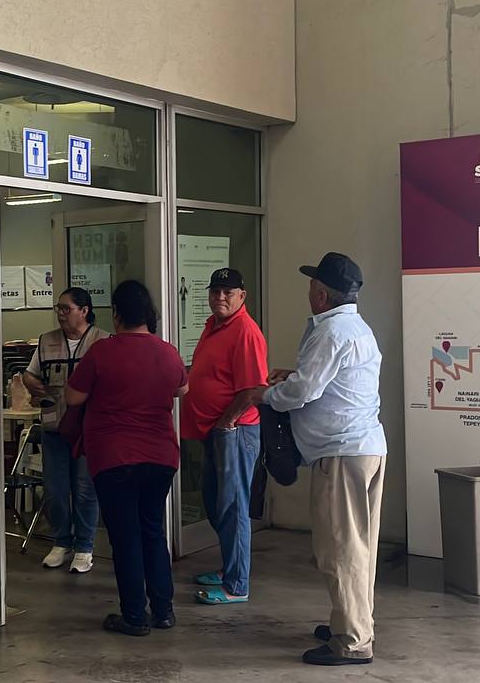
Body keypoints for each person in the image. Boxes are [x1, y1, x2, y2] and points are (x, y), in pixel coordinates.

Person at [258, 252, 386, 666]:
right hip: (365, 447)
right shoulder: (357, 327)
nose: (309, 291)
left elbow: (304, 392)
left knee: (340, 550)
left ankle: (352, 641)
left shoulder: (331, 331)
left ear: (321, 294)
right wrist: (292, 376)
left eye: (312, 285)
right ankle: (355, 623)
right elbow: (325, 382)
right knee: (359, 548)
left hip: (342, 453)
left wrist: (265, 395)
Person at [65, 280, 188, 636]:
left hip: (114, 457)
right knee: (152, 530)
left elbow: (73, 397)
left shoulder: (102, 352)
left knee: (125, 536)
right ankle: (163, 611)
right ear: (148, 314)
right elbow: (182, 388)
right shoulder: (168, 352)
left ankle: (134, 616)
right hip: (160, 457)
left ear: (116, 314)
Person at [181, 268, 268, 605]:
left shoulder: (245, 331)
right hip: (215, 432)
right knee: (215, 502)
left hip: (235, 431)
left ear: (242, 296)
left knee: (233, 507)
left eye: (228, 292)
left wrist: (227, 422)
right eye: (215, 291)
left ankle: (237, 585)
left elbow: (253, 389)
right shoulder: (214, 326)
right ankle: (229, 567)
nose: (220, 297)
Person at [22, 287, 109, 574]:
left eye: (66, 308)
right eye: (58, 308)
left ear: (84, 311)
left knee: (84, 489)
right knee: (55, 489)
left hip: (87, 429)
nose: (60, 314)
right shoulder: (47, 341)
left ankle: (84, 546)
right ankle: (61, 541)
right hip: (54, 426)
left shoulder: (103, 341)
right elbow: (30, 373)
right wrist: (31, 383)